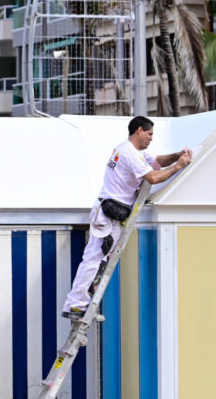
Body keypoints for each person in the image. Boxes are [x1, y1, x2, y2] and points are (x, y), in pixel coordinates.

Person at [62, 116, 193, 319]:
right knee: (94, 259)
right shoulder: (129, 154)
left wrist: (177, 155)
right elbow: (153, 177)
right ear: (139, 130)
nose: (151, 138)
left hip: (110, 212)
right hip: (109, 214)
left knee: (99, 260)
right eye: (150, 134)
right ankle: (77, 304)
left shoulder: (131, 151)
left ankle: (80, 303)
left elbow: (157, 161)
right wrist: (179, 166)